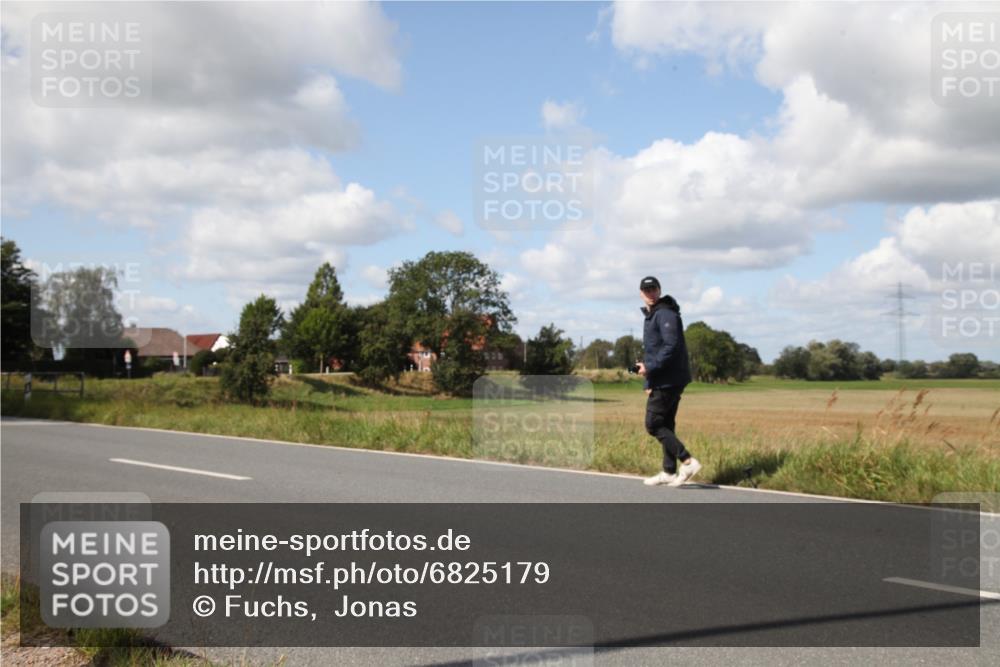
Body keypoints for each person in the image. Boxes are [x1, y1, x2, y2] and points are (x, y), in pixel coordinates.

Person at [636, 276, 701, 487]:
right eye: (646, 290)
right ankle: (669, 472)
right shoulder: (653, 314)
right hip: (663, 379)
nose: (650, 293)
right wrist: (648, 381)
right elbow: (654, 350)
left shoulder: (665, 314)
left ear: (659, 290)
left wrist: (650, 368)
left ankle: (687, 461)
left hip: (669, 379)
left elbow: (670, 346)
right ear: (641, 293)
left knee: (653, 424)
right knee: (666, 424)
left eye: (653, 289)